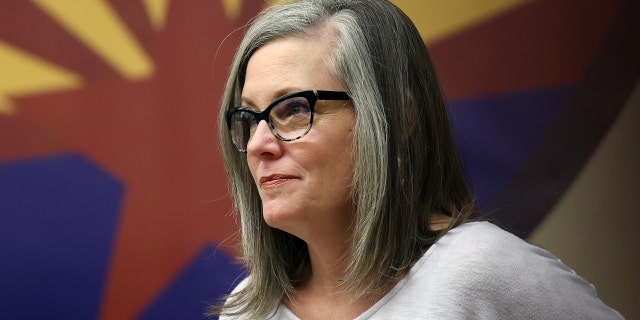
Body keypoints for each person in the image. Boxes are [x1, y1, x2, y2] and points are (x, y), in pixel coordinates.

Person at [212, 0, 623, 319]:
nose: (257, 144)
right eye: (248, 119)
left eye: (295, 109)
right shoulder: (246, 307)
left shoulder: (480, 271)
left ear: (395, 118)